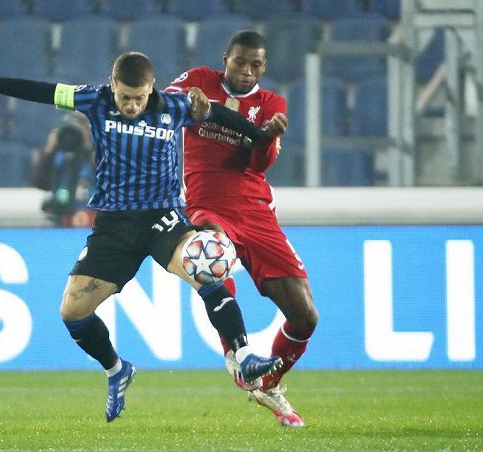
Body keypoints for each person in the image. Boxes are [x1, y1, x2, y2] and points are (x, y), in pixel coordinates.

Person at [0, 52, 284, 423]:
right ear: (112, 85)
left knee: (205, 264)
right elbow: (36, 90)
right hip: (114, 226)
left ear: (151, 87)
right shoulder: (92, 99)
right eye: (125, 97)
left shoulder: (175, 105)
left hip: (162, 218)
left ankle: (244, 356)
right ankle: (117, 370)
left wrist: (261, 136)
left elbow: (220, 114)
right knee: (73, 312)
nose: (132, 105)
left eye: (139, 97)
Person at [166, 30, 319, 427]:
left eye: (256, 65)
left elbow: (259, 166)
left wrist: (268, 139)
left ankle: (269, 383)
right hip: (206, 201)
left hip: (255, 210)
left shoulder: (271, 104)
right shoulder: (197, 79)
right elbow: (162, 103)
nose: (247, 72)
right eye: (240, 62)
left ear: (264, 67)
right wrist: (188, 102)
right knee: (209, 257)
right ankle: (238, 355)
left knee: (305, 317)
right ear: (225, 59)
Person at [31, 112, 97, 227]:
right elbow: (39, 183)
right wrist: (49, 150)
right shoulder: (57, 154)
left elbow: (105, 177)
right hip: (59, 212)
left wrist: (88, 146)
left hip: (92, 211)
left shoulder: (95, 152)